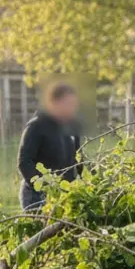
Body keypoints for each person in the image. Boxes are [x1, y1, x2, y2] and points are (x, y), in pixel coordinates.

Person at [17, 82, 82, 211]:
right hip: (37, 197)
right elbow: (24, 162)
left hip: (63, 195)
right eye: (68, 104)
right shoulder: (37, 126)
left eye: (73, 104)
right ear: (54, 103)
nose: (72, 108)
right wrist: (44, 186)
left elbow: (78, 159)